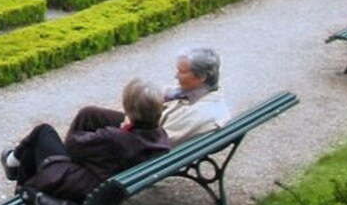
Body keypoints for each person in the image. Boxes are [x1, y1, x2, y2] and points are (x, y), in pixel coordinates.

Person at [0, 79, 169, 205]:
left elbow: (72, 146)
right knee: (88, 113)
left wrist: (121, 126)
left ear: (130, 110)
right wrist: (123, 119)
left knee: (42, 132)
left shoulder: (114, 137)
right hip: (105, 181)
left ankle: (16, 176)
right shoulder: (159, 136)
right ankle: (14, 164)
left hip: (81, 184)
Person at [66, 47, 232, 147]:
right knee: (90, 114)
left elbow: (158, 142)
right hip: (145, 130)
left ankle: (68, 160)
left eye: (181, 72)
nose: (175, 76)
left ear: (201, 76)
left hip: (144, 148)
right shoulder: (195, 90)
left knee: (88, 139)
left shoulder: (200, 113)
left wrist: (123, 128)